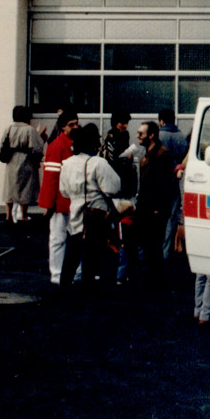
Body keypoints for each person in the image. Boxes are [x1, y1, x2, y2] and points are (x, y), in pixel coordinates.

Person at [59, 123, 121, 292]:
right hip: (95, 217)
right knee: (92, 256)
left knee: (71, 256)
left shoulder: (67, 163)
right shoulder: (98, 163)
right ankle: (89, 291)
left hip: (75, 217)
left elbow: (64, 191)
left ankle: (63, 289)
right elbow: (113, 188)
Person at [38, 109, 79, 283]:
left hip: (75, 202)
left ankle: (76, 272)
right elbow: (50, 178)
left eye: (77, 123)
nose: (76, 127)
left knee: (77, 238)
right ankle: (56, 273)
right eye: (72, 124)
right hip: (61, 203)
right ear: (62, 127)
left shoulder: (75, 143)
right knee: (58, 238)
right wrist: (49, 204)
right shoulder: (56, 146)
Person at [137, 121, 178, 285]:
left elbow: (164, 185)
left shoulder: (162, 154)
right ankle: (152, 278)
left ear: (151, 135)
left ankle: (156, 280)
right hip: (147, 207)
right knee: (149, 245)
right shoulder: (150, 153)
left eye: (141, 133)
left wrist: (158, 208)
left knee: (154, 245)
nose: (138, 136)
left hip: (154, 209)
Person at [0, 105, 45, 225]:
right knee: (25, 188)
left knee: (10, 188)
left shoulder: (8, 128)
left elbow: (2, 145)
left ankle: (8, 215)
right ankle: (23, 215)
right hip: (26, 160)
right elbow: (37, 148)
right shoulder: (29, 130)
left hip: (11, 160)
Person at [158, 108, 189, 260]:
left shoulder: (158, 136)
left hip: (159, 183)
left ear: (161, 121)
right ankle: (166, 252)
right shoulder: (181, 136)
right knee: (171, 218)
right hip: (174, 182)